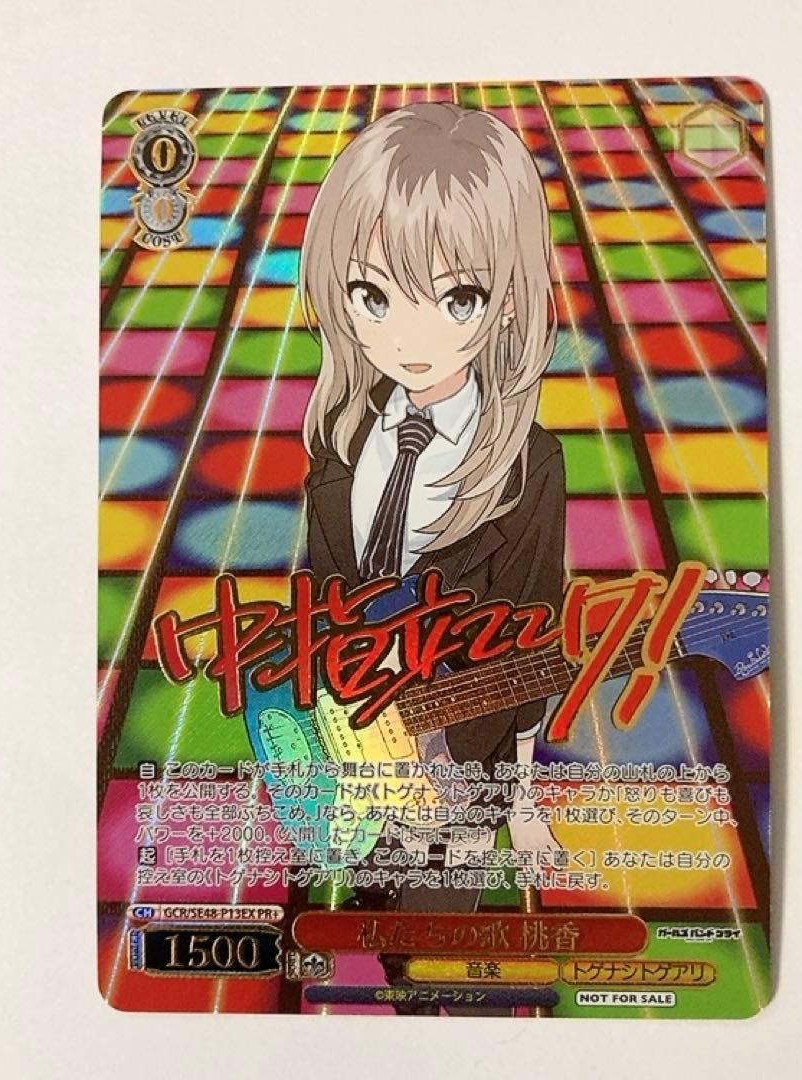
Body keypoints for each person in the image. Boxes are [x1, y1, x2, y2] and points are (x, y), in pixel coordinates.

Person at [299, 103, 565, 961]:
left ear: (508, 300)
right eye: (372, 295)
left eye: (457, 298)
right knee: (360, 930)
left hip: (459, 770)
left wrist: (520, 803)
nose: (408, 337)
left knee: (429, 957)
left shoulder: (526, 466)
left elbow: (531, 638)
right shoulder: (339, 446)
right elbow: (317, 606)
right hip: (349, 757)